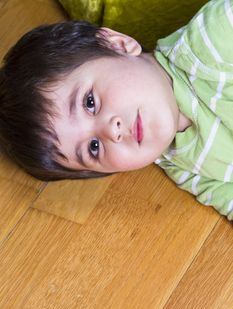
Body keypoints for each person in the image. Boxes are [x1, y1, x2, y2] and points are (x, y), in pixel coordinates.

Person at [0, 0, 233, 220]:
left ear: (118, 45)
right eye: (94, 148)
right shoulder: (180, 164)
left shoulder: (214, 39)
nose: (111, 131)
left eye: (89, 102)